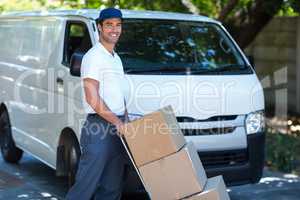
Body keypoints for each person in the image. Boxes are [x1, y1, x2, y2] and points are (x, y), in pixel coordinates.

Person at [65, 7, 129, 200]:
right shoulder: (94, 57)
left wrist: (125, 119)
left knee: (111, 188)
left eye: (118, 25)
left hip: (117, 128)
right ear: (99, 27)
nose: (114, 29)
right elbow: (92, 98)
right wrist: (117, 123)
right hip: (99, 128)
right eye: (109, 25)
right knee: (84, 188)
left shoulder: (115, 58)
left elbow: (118, 93)